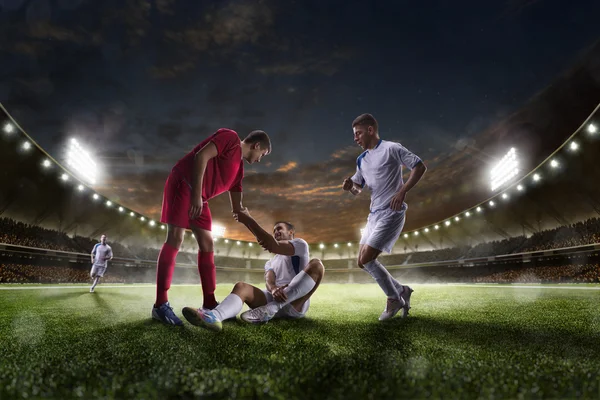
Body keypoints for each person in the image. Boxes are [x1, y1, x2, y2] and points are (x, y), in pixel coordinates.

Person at [152, 128, 271, 326]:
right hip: (183, 183)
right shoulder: (230, 138)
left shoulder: (239, 171)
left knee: (208, 244)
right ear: (256, 145)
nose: (260, 159)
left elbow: (238, 210)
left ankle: (209, 303)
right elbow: (201, 156)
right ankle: (160, 305)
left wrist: (260, 233)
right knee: (175, 238)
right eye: (263, 154)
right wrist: (197, 195)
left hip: (201, 198)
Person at [342, 113, 427, 321]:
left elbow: (419, 166)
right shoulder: (361, 159)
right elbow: (358, 189)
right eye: (354, 135)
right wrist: (349, 187)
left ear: (370, 130)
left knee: (366, 258)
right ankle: (401, 290)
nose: (356, 138)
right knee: (361, 262)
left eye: (358, 133)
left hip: (392, 211)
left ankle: (393, 298)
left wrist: (402, 191)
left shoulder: (391, 148)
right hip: (373, 214)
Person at [181, 215, 324, 332]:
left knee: (317, 265)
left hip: (295, 303)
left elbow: (272, 245)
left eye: (279, 229)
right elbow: (269, 279)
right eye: (274, 231)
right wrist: (273, 289)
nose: (276, 232)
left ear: (291, 232)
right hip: (275, 298)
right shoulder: (271, 261)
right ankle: (214, 317)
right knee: (241, 286)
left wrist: (247, 219)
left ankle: (271, 309)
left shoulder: (300, 245)